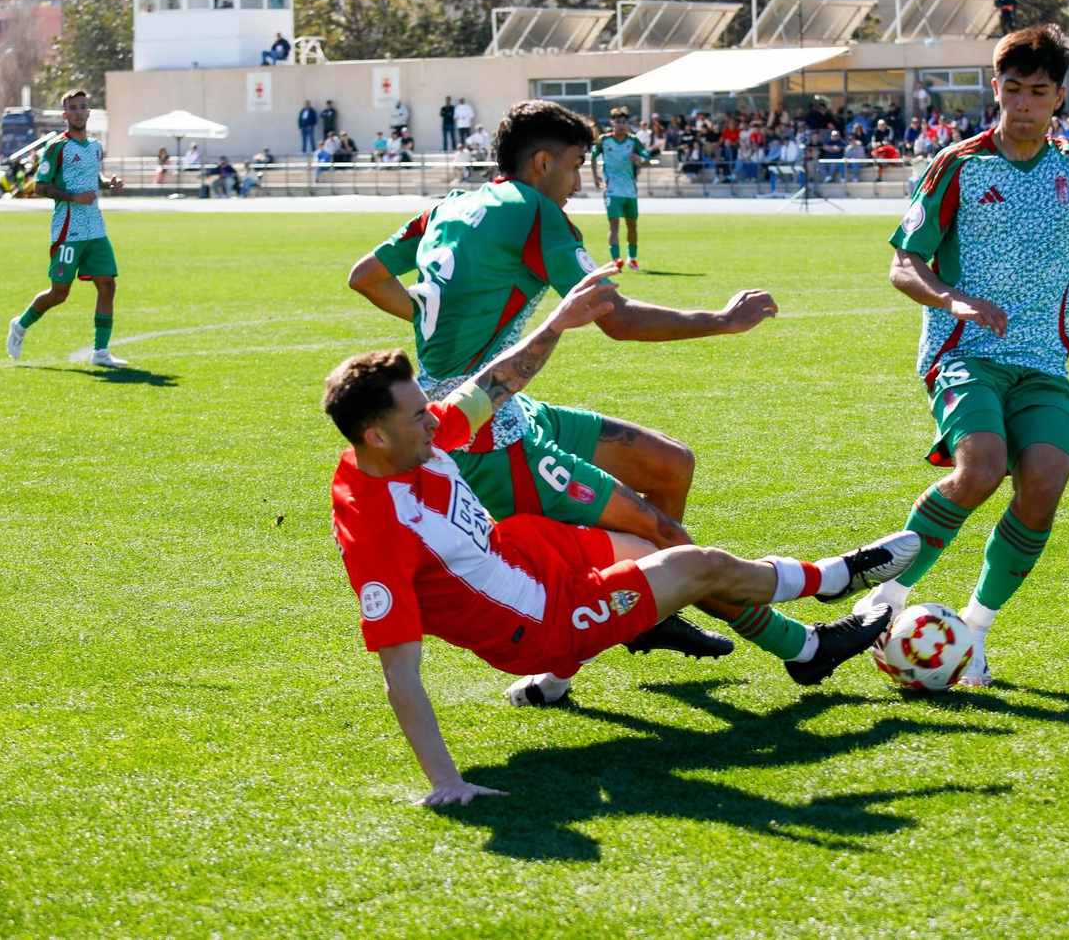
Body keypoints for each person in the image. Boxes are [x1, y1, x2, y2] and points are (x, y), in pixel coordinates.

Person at [347, 99, 889, 691]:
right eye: (578, 166)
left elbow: (367, 275)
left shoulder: (445, 206)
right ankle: (802, 646)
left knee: (670, 463)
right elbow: (618, 319)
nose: (581, 183)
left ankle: (647, 613)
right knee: (664, 540)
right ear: (543, 162)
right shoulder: (535, 211)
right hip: (487, 434)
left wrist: (433, 315)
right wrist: (721, 320)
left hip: (497, 407)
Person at [326, 328, 909, 804]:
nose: (435, 424)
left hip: (532, 554)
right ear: (375, 436)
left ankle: (565, 679)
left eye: (429, 411)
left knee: (656, 542)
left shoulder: (404, 445)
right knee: (696, 566)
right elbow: (400, 673)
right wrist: (446, 782)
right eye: (417, 418)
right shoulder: (377, 533)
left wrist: (561, 321)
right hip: (544, 624)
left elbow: (488, 387)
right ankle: (836, 578)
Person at [860, 24, 1069, 687]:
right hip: (965, 351)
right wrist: (952, 298)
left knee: (1045, 479)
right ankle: (888, 592)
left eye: (1037, 91)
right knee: (982, 466)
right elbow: (904, 264)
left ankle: (975, 634)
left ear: (1058, 98)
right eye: (1011, 88)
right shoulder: (958, 164)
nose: (1022, 103)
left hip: (1043, 363)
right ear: (996, 87)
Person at [6, 90, 128, 366]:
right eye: (72, 108)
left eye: (83, 107)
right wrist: (74, 197)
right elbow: (39, 187)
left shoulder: (95, 146)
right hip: (68, 231)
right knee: (60, 293)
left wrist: (109, 183)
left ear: (89, 113)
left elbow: (93, 176)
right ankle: (20, 325)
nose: (78, 112)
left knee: (107, 285)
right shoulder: (56, 148)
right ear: (65, 115)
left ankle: (100, 352)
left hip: (95, 228)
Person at [592, 107, 650, 270]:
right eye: (618, 122)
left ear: (628, 124)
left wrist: (638, 158)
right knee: (614, 224)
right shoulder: (604, 140)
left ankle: (632, 258)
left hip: (630, 191)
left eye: (624, 122)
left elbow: (648, 157)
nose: (621, 125)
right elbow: (593, 156)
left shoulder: (633, 141)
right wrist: (595, 176)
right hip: (612, 190)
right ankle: (616, 260)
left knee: (632, 225)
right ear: (612, 123)